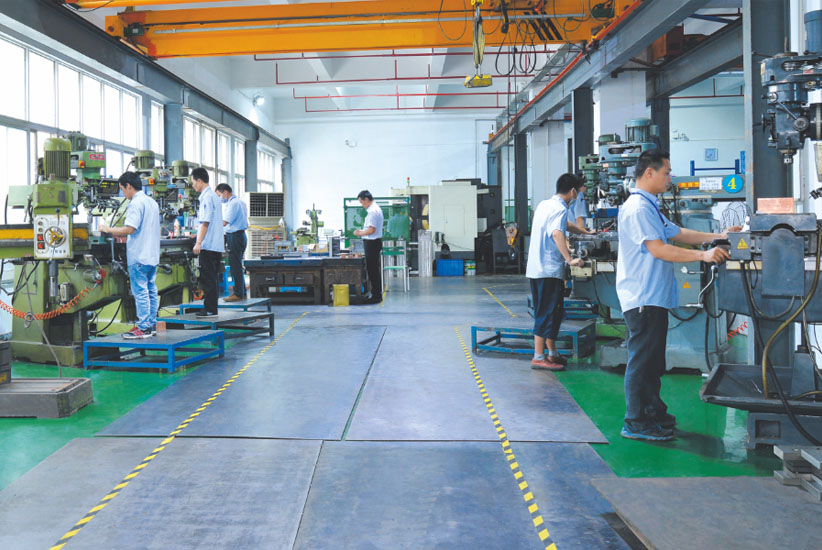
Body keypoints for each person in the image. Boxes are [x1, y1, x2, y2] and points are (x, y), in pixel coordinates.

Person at [616, 150, 737, 442]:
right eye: (667, 172)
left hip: (653, 296)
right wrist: (703, 255)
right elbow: (659, 249)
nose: (670, 178)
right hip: (643, 298)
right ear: (649, 173)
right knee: (643, 362)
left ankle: (653, 412)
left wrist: (720, 237)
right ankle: (635, 421)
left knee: (653, 362)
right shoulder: (638, 208)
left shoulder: (649, 205)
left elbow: (678, 233)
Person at [526, 174, 587, 371]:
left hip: (537, 269)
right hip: (549, 270)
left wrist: (584, 232)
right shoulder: (560, 209)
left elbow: (564, 225)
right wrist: (570, 259)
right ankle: (538, 357)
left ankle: (552, 353)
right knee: (546, 313)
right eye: (578, 193)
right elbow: (557, 232)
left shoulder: (545, 205)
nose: (578, 197)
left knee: (552, 312)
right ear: (572, 191)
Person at [99, 172, 160, 339]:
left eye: (122, 189)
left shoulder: (135, 203)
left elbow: (130, 229)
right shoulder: (151, 202)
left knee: (140, 292)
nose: (122, 193)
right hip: (152, 255)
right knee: (151, 290)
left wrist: (108, 229)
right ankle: (151, 324)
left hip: (139, 255)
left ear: (129, 186)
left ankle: (144, 327)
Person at [191, 168, 224, 317]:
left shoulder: (207, 197)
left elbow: (205, 222)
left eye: (193, 182)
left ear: (199, 180)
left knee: (208, 278)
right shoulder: (213, 196)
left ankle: (210, 309)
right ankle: (211, 308)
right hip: (215, 244)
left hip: (209, 245)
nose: (193, 185)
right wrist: (198, 234)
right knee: (212, 278)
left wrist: (198, 242)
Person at [216, 183, 248, 302]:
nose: (220, 198)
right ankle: (242, 292)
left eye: (219, 195)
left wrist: (208, 227)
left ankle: (238, 294)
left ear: (225, 192)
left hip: (235, 236)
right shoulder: (240, 202)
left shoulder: (233, 204)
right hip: (240, 235)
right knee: (237, 266)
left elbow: (224, 222)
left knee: (235, 266)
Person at [353, 190, 384, 304]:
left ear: (366, 200)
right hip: (374, 242)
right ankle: (376, 294)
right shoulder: (376, 209)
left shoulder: (372, 212)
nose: (362, 205)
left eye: (361, 202)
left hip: (372, 243)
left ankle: (376, 296)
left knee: (372, 270)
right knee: (373, 269)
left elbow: (371, 230)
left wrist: (359, 233)